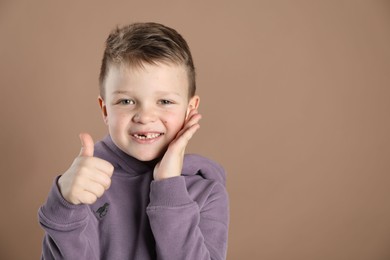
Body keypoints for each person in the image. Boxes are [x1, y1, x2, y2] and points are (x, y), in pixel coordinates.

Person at [38, 22, 229, 259]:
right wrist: (64, 208)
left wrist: (169, 185)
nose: (145, 117)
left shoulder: (205, 189)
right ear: (105, 109)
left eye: (165, 101)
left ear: (190, 110)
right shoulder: (85, 183)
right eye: (127, 101)